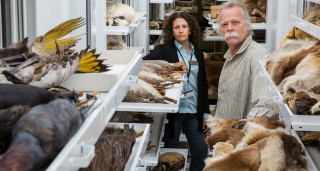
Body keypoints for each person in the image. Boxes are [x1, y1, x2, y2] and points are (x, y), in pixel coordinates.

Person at [143, 12, 209, 171]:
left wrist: (205, 114)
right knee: (169, 155)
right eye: (176, 27)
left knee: (201, 152)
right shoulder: (164, 50)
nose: (181, 30)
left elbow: (203, 85)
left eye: (184, 27)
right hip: (172, 114)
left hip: (193, 111)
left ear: (190, 30)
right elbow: (144, 63)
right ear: (171, 32)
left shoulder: (197, 54)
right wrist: (170, 66)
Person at [214, 1, 278, 120]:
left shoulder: (258, 56)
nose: (229, 28)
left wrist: (239, 130)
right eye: (224, 24)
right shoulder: (230, 57)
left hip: (238, 136)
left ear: (248, 26)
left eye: (235, 22)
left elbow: (266, 105)